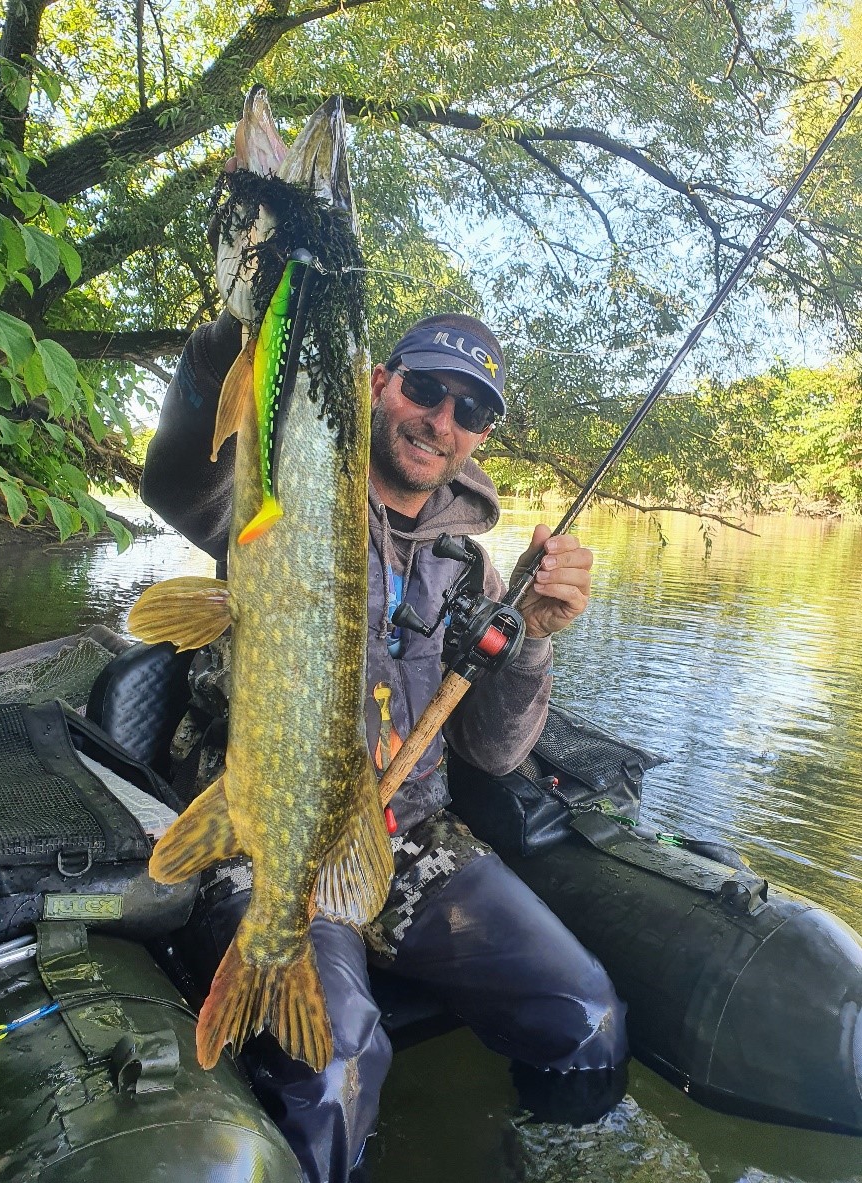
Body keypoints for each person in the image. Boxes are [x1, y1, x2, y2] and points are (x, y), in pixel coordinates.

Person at [141, 310, 629, 1183]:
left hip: (411, 837)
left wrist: (535, 639)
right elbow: (177, 476)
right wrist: (236, 337)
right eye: (425, 388)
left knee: (586, 1012)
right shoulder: (279, 496)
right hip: (267, 829)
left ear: (479, 436)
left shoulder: (472, 568)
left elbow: (493, 752)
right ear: (375, 383)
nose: (441, 419)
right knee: (335, 1064)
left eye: (468, 409)